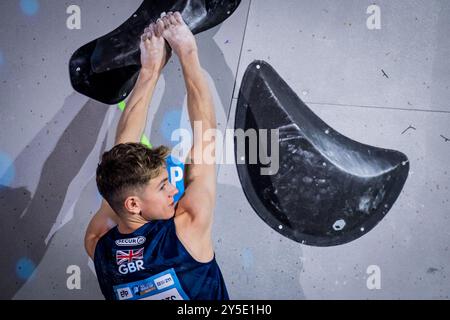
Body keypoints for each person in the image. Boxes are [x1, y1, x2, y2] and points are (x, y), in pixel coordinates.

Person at [84, 11, 229, 300]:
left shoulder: (98, 244)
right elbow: (206, 140)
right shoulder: (188, 227)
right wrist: (187, 52)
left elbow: (120, 163)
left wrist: (149, 71)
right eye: (164, 186)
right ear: (134, 203)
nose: (174, 189)